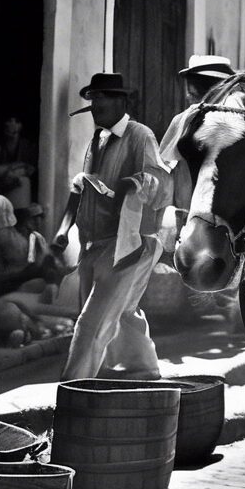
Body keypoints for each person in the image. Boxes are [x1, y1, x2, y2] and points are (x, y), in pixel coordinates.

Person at [53, 72, 169, 380]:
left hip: (125, 245)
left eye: (101, 98)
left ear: (120, 100)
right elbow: (81, 189)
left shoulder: (140, 135)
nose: (95, 105)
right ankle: (143, 369)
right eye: (92, 100)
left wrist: (125, 188)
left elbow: (155, 183)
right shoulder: (97, 139)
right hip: (93, 244)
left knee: (90, 324)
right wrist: (64, 230)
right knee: (123, 312)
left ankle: (74, 391)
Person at [159, 54, 236, 239]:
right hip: (190, 208)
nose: (187, 97)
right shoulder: (186, 120)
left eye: (193, 92)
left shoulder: (233, 122)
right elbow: (171, 165)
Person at [0, 116, 36, 209]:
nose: (11, 125)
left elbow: (31, 169)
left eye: (16, 121)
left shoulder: (27, 146)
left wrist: (15, 172)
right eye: (9, 121)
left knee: (23, 181)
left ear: (20, 126)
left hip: (19, 190)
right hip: (0, 188)